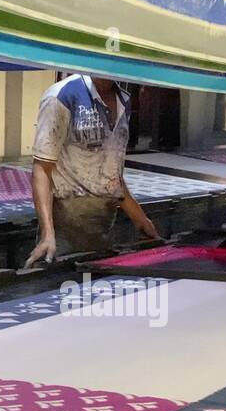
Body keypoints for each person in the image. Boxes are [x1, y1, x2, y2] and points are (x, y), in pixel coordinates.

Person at [24, 74, 158, 267]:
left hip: (103, 228)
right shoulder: (62, 97)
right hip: (64, 228)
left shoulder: (124, 101)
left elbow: (112, 176)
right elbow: (42, 169)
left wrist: (140, 219)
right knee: (60, 286)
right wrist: (47, 234)